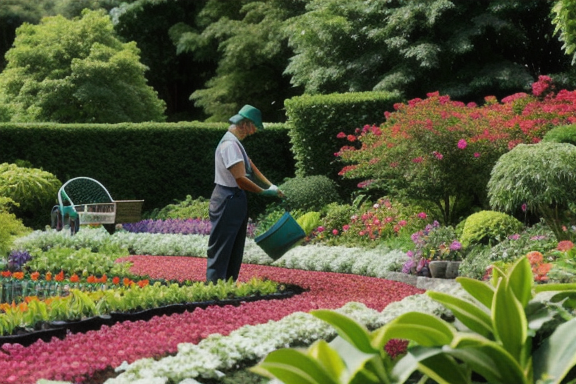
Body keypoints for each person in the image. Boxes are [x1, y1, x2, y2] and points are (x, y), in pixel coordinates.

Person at [206, 104, 283, 283]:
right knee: (223, 246)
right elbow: (240, 179)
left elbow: (250, 164)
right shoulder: (230, 145)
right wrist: (263, 192)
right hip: (228, 198)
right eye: (253, 127)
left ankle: (228, 284)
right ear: (244, 124)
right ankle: (214, 286)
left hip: (234, 198)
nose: (253, 132)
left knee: (235, 246)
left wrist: (271, 185)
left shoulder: (235, 143)